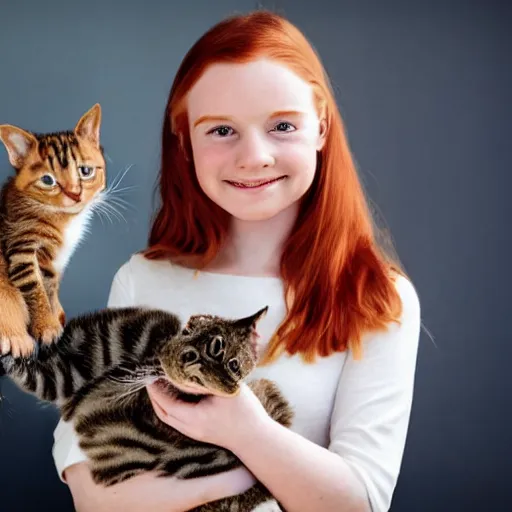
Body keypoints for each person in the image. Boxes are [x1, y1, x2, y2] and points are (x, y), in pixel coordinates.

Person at [52, 10, 421, 512]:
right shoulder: (142, 281)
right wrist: (235, 479)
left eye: (283, 125)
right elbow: (94, 493)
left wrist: (245, 428)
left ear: (322, 128)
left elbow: (359, 503)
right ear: (185, 142)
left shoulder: (378, 299)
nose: (254, 157)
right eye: (221, 130)